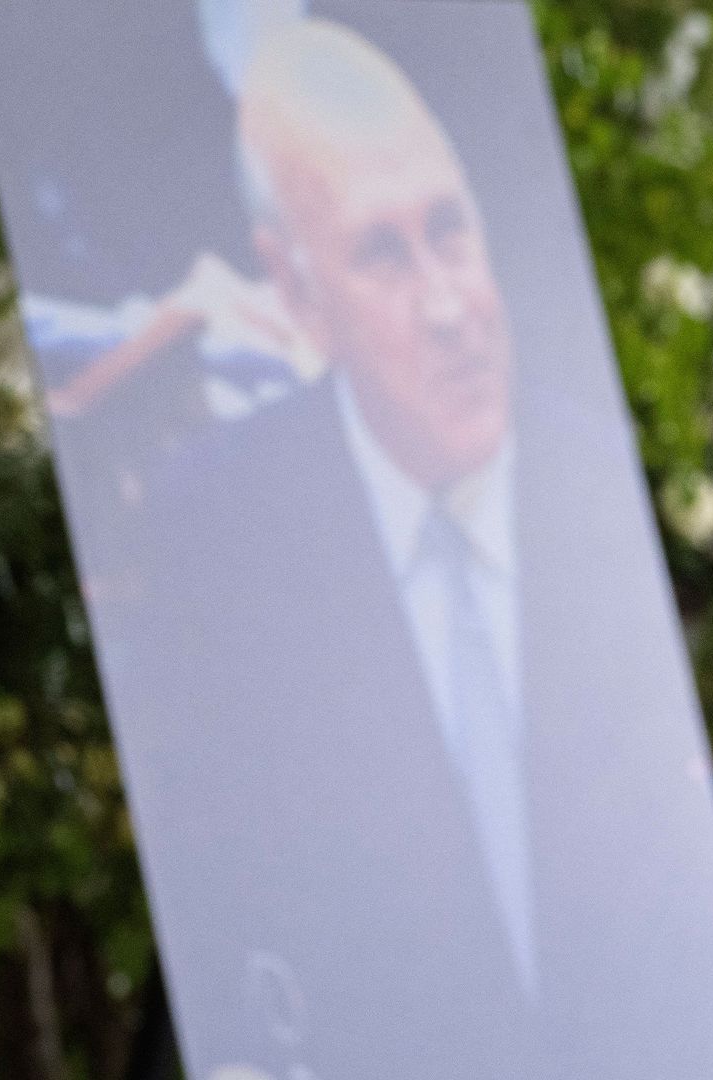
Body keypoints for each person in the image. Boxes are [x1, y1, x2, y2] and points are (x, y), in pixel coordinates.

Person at [115, 19, 540, 1077]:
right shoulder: (219, 532)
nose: (447, 307)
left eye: (449, 231)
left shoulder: (580, 479)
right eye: (381, 254)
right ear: (298, 292)